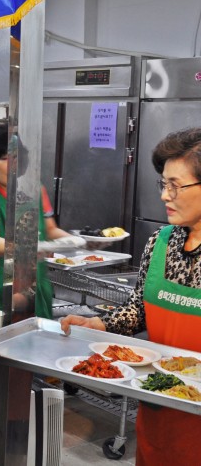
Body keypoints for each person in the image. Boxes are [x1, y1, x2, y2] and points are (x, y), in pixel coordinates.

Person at [61, 127, 201, 465]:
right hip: (159, 407)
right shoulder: (161, 243)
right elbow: (139, 308)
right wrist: (99, 323)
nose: (165, 196)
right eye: (162, 184)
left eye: (175, 185)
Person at [0, 123, 80, 319]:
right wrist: (29, 247)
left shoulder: (34, 189)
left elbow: (50, 229)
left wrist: (77, 242)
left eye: (16, 157)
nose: (12, 164)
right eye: (4, 159)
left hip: (37, 287)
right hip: (3, 290)